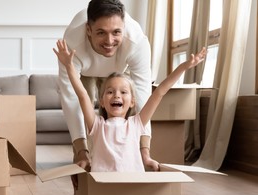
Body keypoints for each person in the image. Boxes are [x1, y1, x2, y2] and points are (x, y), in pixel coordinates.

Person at [54, 39, 207, 171]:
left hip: (132, 184)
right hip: (102, 187)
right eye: (110, 92)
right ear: (101, 101)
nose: (117, 95)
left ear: (133, 101)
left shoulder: (136, 123)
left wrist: (184, 67)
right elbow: (82, 95)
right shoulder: (97, 124)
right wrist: (69, 66)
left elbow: (160, 91)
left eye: (123, 92)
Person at [57, 0, 157, 172]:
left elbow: (142, 98)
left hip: (119, 70)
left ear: (124, 27)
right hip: (83, 72)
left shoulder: (137, 43)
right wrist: (81, 150)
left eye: (116, 32)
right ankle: (85, 178)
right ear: (88, 29)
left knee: (124, 112)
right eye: (101, 33)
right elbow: (72, 100)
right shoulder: (71, 44)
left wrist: (145, 151)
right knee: (85, 115)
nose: (109, 41)